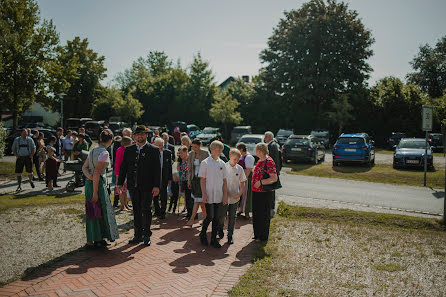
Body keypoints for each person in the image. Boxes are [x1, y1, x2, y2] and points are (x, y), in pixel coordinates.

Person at [117, 125, 161, 246]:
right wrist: (120, 183)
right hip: (133, 186)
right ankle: (138, 235)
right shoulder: (129, 149)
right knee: (136, 210)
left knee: (146, 209)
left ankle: (147, 235)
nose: (140, 136)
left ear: (146, 135)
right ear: (134, 136)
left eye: (143, 134)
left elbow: (157, 170)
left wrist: (157, 186)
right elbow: (123, 167)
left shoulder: (154, 149)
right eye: (138, 134)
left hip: (148, 186)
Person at [82, 129, 119, 249]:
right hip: (97, 184)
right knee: (99, 210)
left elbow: (84, 167)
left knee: (93, 211)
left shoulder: (93, 151)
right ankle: (97, 239)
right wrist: (95, 191)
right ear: (111, 140)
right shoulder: (104, 153)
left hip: (90, 182)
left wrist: (89, 177)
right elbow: (97, 172)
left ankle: (95, 238)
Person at [199, 140, 228, 248]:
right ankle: (203, 234)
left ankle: (213, 239)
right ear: (212, 149)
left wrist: (225, 195)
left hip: (219, 195)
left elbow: (225, 181)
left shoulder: (222, 163)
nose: (220, 151)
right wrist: (203, 194)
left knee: (216, 217)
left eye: (221, 149)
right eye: (218, 149)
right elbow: (202, 180)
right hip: (209, 194)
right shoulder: (205, 162)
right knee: (210, 216)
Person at [251, 143, 278, 242]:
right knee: (256, 213)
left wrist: (261, 182)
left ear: (260, 150)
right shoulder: (260, 160)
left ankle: (263, 236)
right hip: (256, 191)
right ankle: (257, 234)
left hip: (264, 192)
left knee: (263, 214)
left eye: (256, 150)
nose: (255, 152)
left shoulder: (269, 161)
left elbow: (274, 178)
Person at [220, 148, 246, 244]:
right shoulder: (224, 167)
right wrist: (227, 193)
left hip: (235, 198)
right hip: (225, 197)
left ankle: (230, 235)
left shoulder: (240, 169)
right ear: (230, 156)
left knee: (232, 217)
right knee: (222, 215)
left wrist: (240, 193)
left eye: (237, 160)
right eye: (234, 159)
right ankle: (220, 229)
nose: (236, 161)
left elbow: (242, 182)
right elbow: (222, 182)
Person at [186, 139, 209, 226]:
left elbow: (209, 168)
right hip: (194, 180)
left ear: (200, 146)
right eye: (192, 147)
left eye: (195, 147)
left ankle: (191, 219)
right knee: (201, 202)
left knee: (197, 200)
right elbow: (189, 169)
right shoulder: (191, 154)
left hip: (203, 180)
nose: (194, 148)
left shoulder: (205, 154)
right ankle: (206, 218)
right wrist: (189, 181)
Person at [153, 137, 173, 219]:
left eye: (162, 145)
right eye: (159, 145)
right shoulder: (152, 153)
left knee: (163, 195)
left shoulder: (167, 153)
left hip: (164, 177)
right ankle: (157, 210)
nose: (161, 147)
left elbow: (170, 167)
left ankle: (163, 212)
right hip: (155, 178)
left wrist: (170, 178)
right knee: (155, 196)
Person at [264, 131, 282, 216]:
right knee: (271, 190)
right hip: (274, 171)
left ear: (269, 137)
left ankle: (270, 208)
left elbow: (270, 160)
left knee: (271, 190)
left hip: (272, 172)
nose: (264, 138)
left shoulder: (271, 146)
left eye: (265, 137)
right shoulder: (275, 144)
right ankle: (270, 207)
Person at [236, 142, 255, 219]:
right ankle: (240, 210)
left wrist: (244, 179)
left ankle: (247, 213)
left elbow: (249, 169)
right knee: (241, 194)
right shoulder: (242, 156)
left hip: (246, 178)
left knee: (246, 195)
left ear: (241, 149)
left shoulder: (248, 157)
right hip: (240, 177)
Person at [114, 136, 132, 211]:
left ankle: (126, 204)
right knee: (121, 190)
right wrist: (117, 174)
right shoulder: (120, 150)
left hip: (127, 172)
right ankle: (122, 205)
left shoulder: (128, 149)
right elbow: (117, 162)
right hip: (121, 173)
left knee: (125, 190)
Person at [177, 145, 192, 218]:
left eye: (181, 153)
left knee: (190, 197)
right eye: (179, 153)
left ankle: (192, 214)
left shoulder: (190, 159)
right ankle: (189, 213)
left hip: (190, 181)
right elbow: (180, 170)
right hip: (184, 180)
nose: (180, 155)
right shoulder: (182, 160)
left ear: (186, 152)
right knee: (187, 196)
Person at [111, 135, 123, 208]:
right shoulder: (118, 148)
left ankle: (116, 202)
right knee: (119, 185)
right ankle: (118, 202)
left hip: (115, 168)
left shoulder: (113, 145)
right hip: (118, 169)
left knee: (117, 185)